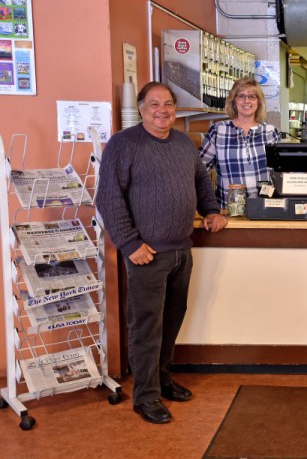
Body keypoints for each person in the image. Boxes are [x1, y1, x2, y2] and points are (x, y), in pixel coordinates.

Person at [96, 82, 228, 424]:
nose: (163, 110)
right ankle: (145, 396)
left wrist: (211, 210)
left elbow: (201, 181)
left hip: (181, 251)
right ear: (141, 108)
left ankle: (162, 378)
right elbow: (109, 199)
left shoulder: (185, 144)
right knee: (146, 327)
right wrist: (129, 243)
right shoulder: (123, 145)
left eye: (168, 104)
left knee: (171, 322)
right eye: (154, 104)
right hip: (147, 254)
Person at [199, 77, 280, 208]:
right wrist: (208, 206)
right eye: (241, 96)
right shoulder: (218, 130)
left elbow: (280, 175)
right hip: (228, 211)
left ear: (259, 102)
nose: (246, 101)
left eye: (252, 96)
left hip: (265, 209)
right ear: (233, 101)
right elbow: (200, 172)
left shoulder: (271, 132)